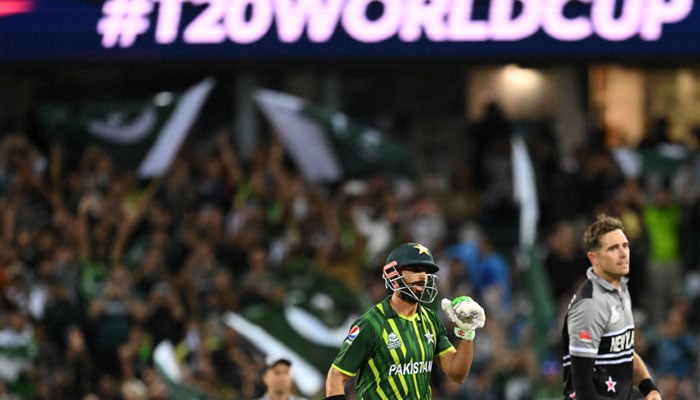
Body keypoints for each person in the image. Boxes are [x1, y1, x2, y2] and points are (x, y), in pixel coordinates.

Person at [324, 242, 486, 399]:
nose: (422, 277)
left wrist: (466, 333)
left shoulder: (430, 320)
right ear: (394, 275)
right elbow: (336, 375)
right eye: (415, 270)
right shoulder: (372, 323)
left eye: (426, 271)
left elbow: (456, 373)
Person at [561, 214, 662, 399]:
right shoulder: (589, 305)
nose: (623, 253)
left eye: (625, 246)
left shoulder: (620, 292)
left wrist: (649, 388)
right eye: (613, 248)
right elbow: (583, 390)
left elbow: (624, 353)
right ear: (594, 258)